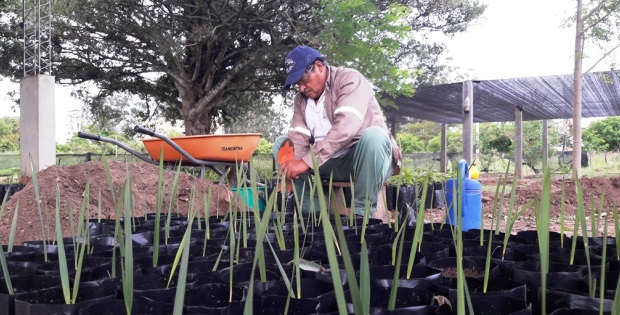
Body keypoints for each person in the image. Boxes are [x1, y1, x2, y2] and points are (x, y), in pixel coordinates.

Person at [273, 45, 402, 218]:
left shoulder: (349, 79)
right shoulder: (300, 101)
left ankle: (361, 217)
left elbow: (345, 128)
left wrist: (306, 162)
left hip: (363, 160)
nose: (301, 88)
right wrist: (291, 167)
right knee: (282, 145)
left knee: (375, 137)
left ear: (318, 66)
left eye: (303, 81)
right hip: (328, 163)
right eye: (298, 85)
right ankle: (312, 215)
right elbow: (298, 137)